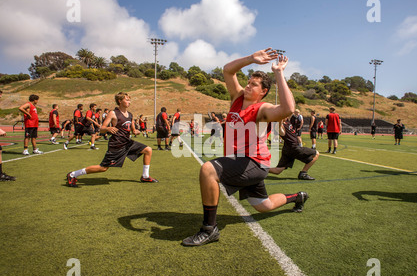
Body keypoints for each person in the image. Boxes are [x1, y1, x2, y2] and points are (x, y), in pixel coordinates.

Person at [182, 48, 309, 247]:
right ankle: (297, 197)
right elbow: (227, 70)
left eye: (254, 85)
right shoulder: (237, 97)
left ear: (264, 91)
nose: (248, 86)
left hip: (254, 163)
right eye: (248, 82)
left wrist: (279, 73)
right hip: (241, 162)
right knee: (263, 206)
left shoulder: (262, 109)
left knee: (208, 169)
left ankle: (209, 229)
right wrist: (251, 59)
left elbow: (288, 109)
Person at [66, 92, 158, 188]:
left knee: (148, 150)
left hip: (127, 143)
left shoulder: (130, 115)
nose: (129, 101)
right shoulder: (113, 113)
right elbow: (102, 128)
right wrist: (108, 129)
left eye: (129, 99)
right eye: (126, 99)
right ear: (120, 101)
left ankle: (145, 176)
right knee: (103, 168)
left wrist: (135, 131)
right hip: (116, 144)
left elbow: (132, 129)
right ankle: (73, 175)